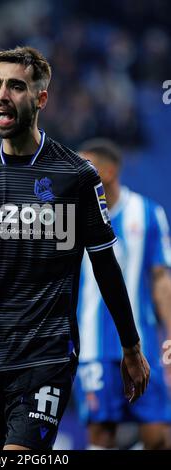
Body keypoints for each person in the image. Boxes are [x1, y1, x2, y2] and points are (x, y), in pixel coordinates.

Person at [0, 46, 149, 451]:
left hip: (46, 355)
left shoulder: (76, 175)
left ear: (41, 98)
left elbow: (106, 265)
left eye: (16, 86)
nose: (2, 94)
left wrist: (131, 345)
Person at [75, 138, 171, 450]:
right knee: (101, 437)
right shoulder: (70, 220)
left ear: (109, 171)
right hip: (93, 347)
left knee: (157, 437)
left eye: (85, 165)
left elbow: (161, 281)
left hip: (143, 345)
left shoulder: (147, 214)